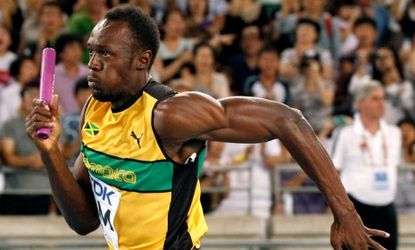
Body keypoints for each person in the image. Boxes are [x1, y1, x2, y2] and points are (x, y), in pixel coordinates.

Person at [25, 4, 389, 250]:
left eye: (105, 53)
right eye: (92, 51)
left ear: (142, 60)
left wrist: (346, 214)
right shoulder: (95, 111)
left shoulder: (171, 116)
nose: (93, 63)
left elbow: (287, 120)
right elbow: (83, 220)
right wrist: (51, 152)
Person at [331, 80, 401, 250]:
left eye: (383, 98)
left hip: (387, 206)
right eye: (375, 99)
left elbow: (394, 168)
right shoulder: (346, 133)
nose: (381, 103)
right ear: (361, 103)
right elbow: (334, 171)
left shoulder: (394, 133)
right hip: (355, 208)